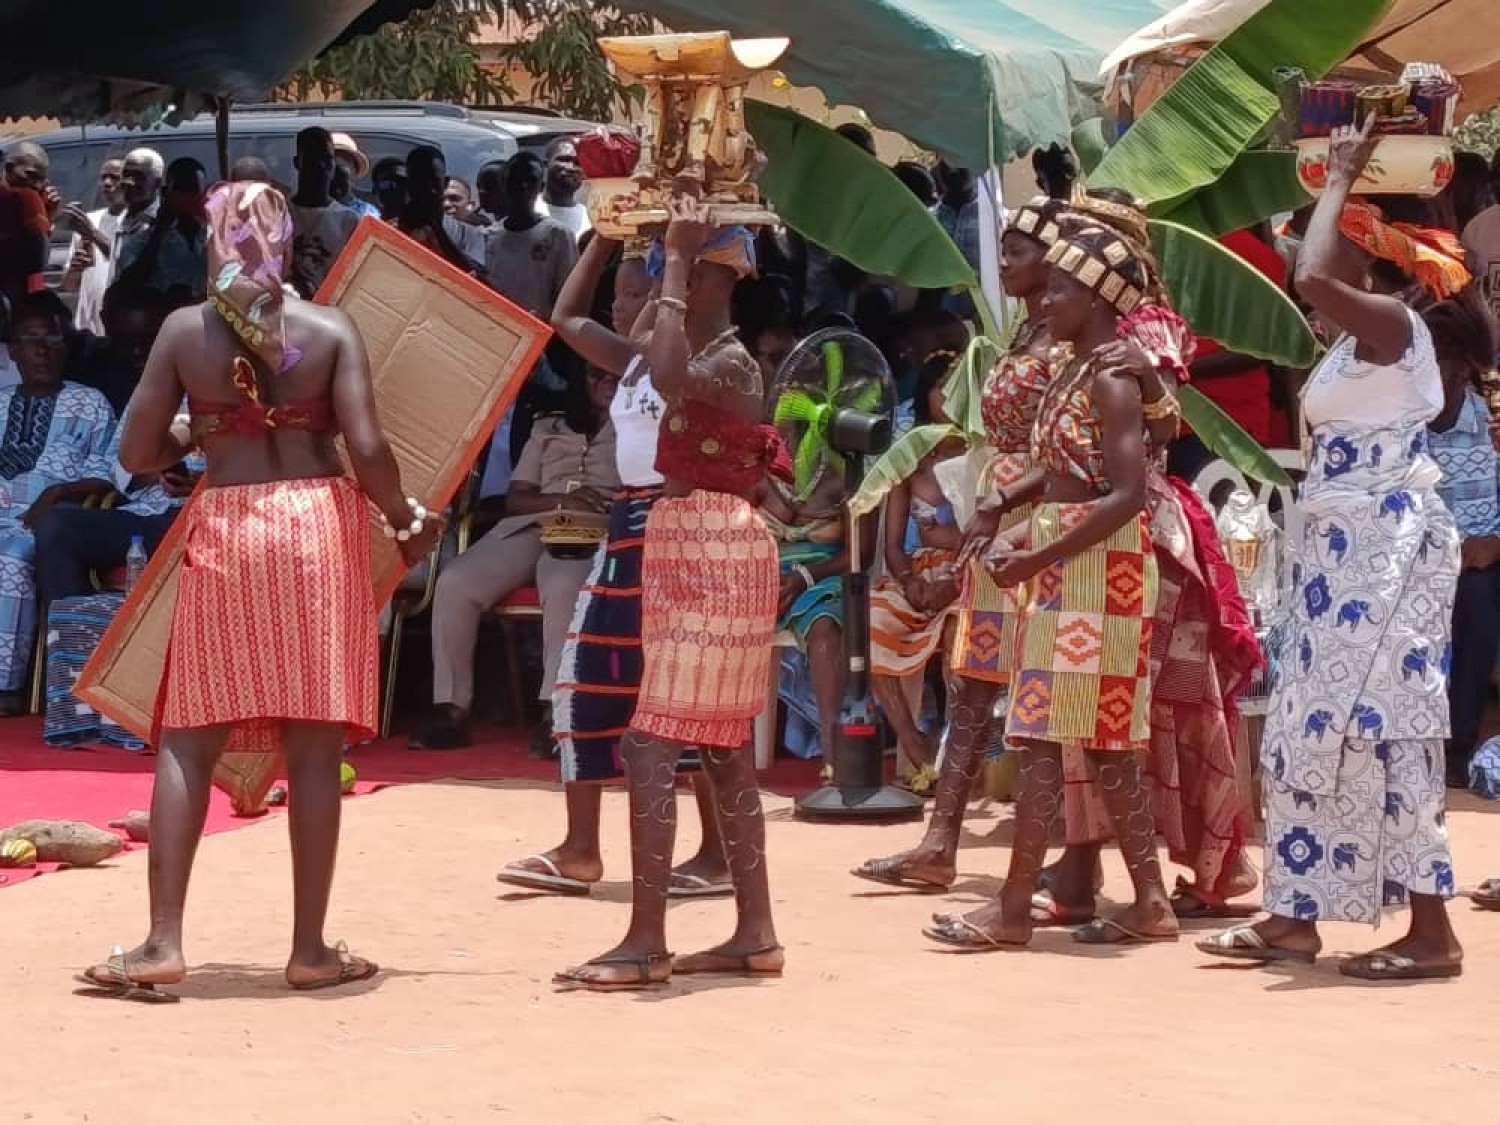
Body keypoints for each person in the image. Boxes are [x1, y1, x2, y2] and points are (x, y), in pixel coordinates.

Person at [76, 180, 437, 1000]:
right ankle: (310, 948)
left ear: (212, 240)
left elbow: (136, 454)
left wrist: (193, 428)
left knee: (188, 736)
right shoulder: (330, 328)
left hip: (231, 526)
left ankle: (164, 941)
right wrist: (403, 516)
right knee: (315, 747)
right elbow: (370, 447)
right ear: (287, 245)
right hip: (317, 528)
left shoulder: (182, 333)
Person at [1200, 116, 1468, 980]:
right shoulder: (1356, 348)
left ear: (1370, 258)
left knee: (1388, 727)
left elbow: (1309, 271)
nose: (1311, 263)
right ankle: (1294, 915)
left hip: (1389, 554)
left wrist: (1340, 178)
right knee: (1308, 729)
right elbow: (1315, 270)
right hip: (1338, 556)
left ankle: (1432, 933)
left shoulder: (1395, 323)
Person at [923, 221, 1176, 949]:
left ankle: (1010, 908)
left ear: (1096, 296)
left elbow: (1127, 492)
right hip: (1078, 558)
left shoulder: (1107, 376)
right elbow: (1067, 463)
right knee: (1100, 744)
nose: (1046, 299)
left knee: (1036, 734)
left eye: (1062, 287)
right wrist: (1010, 499)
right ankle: (1149, 902)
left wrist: (1037, 557)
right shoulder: (1077, 365)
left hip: (1098, 567)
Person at [554, 199, 785, 990]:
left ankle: (648, 939)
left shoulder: (732, 363)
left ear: (719, 271)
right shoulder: (703, 346)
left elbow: (666, 372)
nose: (656, 272)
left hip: (714, 546)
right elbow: (582, 327)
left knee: (654, 742)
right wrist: (616, 239)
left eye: (675, 262)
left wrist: (678, 260)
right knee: (718, 750)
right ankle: (754, 931)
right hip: (692, 541)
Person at [497, 230, 731, 900]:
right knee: (584, 680)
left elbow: (667, 369)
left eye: (638, 290)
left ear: (668, 293)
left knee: (682, 693)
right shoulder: (630, 361)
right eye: (621, 293)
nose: (622, 305)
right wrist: (602, 238)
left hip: (675, 524)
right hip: (628, 523)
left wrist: (676, 270)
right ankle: (579, 849)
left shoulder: (681, 362)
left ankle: (714, 852)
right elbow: (565, 319)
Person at [852, 197, 1066, 891]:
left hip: (1038, 521)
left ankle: (1042, 864)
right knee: (974, 682)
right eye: (1002, 249)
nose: (1003, 261)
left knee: (1034, 700)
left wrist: (1006, 512)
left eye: (1019, 250)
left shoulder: (1068, 338)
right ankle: (939, 841)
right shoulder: (1025, 334)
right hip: (992, 514)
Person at [412, 365, 621, 750]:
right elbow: (516, 499)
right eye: (596, 375)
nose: (607, 383)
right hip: (533, 522)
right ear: (581, 380)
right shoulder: (549, 426)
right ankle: (451, 709)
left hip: (594, 527)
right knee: (455, 583)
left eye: (615, 376)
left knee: (562, 585)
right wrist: (561, 500)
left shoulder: (636, 429)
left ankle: (554, 712)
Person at [0, 293, 116, 714]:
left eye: (51, 337)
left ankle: (6, 687)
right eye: (30, 339)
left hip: (41, 524)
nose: (42, 348)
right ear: (12, 350)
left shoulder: (90, 403)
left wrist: (60, 493)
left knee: (10, 559)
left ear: (67, 346)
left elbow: (110, 473)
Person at [868, 358, 964, 792]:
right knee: (872, 625)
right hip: (920, 573)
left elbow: (997, 531)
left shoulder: (986, 451)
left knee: (958, 638)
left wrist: (954, 577)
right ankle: (914, 745)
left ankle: (959, 760)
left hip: (972, 572)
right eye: (941, 386)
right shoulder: (909, 455)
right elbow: (892, 545)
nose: (948, 396)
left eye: (958, 386)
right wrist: (909, 580)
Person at [1418, 286, 1500, 787]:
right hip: (1419, 558)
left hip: (1486, 561)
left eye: (1445, 368)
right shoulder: (1403, 427)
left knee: (1475, 596)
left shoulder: (1490, 422)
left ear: (1465, 369)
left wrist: (1494, 545)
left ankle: (1459, 742)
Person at [481, 153, 577, 320]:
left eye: (530, 180)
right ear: (504, 183)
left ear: (541, 187)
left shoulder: (557, 235)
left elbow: (568, 295)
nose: (523, 186)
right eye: (515, 179)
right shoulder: (488, 237)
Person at [116, 157, 208, 300]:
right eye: (181, 189)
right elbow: (127, 287)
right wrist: (159, 232)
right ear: (166, 192)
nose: (188, 197)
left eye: (193, 190)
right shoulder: (140, 242)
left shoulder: (216, 239)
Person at [288, 127, 360, 299]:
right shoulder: (280, 213)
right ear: (298, 163)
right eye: (313, 159)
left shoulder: (348, 220)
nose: (321, 167)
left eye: (327, 159)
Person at [59, 157, 127, 335]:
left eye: (114, 178)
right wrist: (75, 268)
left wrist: (93, 234)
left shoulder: (137, 223)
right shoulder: (89, 221)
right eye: (103, 177)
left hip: (119, 328)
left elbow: (126, 261)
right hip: (88, 328)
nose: (107, 183)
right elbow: (69, 286)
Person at [399, 147, 484, 275]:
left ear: (444, 183)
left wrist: (438, 229)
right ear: (408, 184)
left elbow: (475, 278)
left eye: (434, 182)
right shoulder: (390, 229)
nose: (428, 190)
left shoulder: (467, 234)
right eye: (420, 182)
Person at [0, 142, 55, 308]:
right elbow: (36, 260)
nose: (37, 185)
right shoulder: (20, 197)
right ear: (10, 168)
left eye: (42, 179)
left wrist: (47, 215)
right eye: (31, 176)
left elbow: (35, 271)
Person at [539, 139, 590, 240]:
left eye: (577, 163)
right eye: (564, 159)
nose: (571, 167)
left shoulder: (590, 221)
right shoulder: (526, 211)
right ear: (546, 165)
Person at [330, 133, 379, 220]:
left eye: (345, 160)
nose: (339, 163)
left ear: (355, 170)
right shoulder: (310, 211)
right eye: (332, 160)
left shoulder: (367, 213)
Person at [370, 157, 407, 225]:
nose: (396, 186)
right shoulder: (370, 223)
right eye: (386, 184)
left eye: (402, 182)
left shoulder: (420, 228)